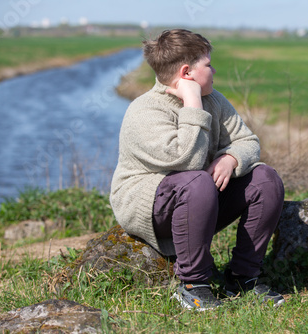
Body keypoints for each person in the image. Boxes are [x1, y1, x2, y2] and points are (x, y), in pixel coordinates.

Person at [110, 29, 285, 310]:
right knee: (197, 181)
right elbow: (187, 161)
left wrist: (231, 159)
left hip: (197, 196)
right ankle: (192, 284)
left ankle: (243, 276)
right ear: (187, 72)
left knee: (266, 179)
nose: (214, 70)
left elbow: (249, 142)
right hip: (148, 207)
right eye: (208, 64)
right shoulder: (144, 112)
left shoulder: (214, 100)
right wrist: (192, 104)